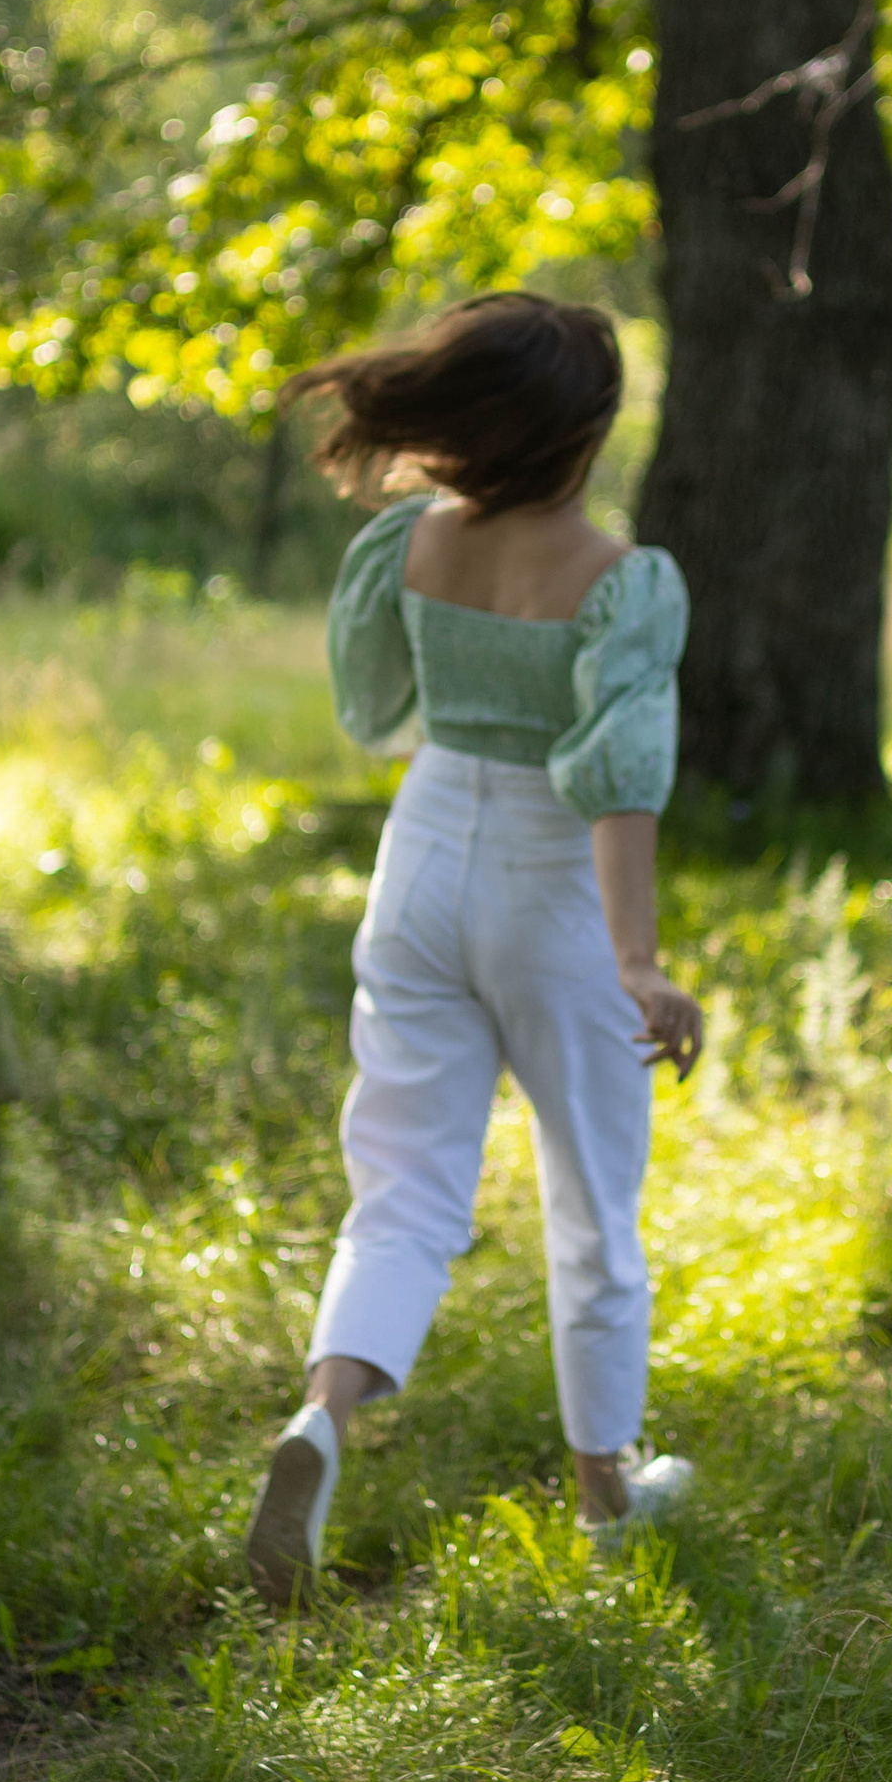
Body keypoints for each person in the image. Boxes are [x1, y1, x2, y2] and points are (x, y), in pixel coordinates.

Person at [243, 292, 704, 1610]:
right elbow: (617, 777)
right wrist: (638, 961)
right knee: (593, 1205)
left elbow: (377, 710)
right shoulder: (620, 579)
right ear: (579, 435)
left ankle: (324, 1416)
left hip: (424, 856)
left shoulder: (417, 545)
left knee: (402, 1185)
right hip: (551, 887)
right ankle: (606, 1493)